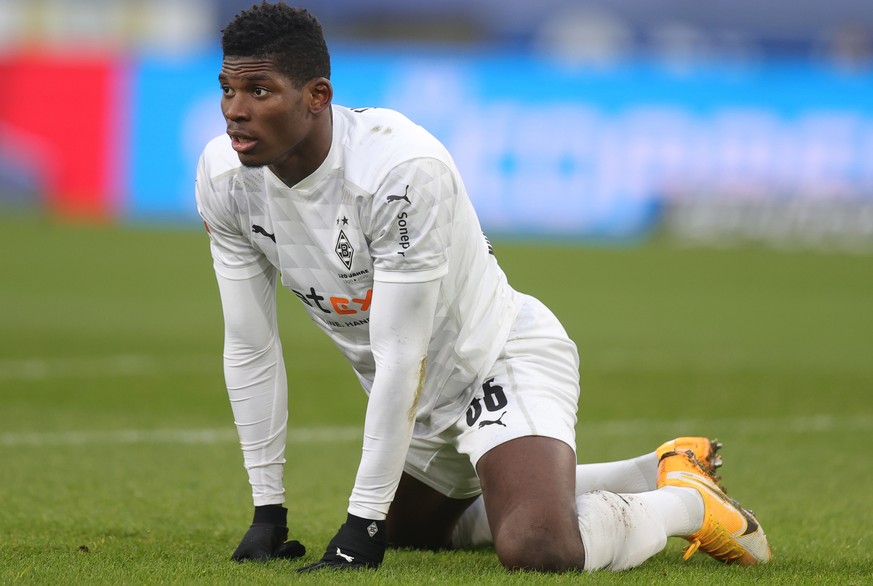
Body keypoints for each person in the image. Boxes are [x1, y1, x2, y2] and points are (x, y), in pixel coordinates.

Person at [195, 1, 771, 573]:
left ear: (317, 96)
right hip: (415, 400)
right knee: (414, 534)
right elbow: (250, 345)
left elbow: (400, 352)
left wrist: (361, 523)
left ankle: (686, 504)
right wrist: (267, 512)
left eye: (259, 92)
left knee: (538, 548)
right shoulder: (224, 179)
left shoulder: (397, 171)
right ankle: (658, 468)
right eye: (227, 90)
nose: (234, 112)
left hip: (495, 359)